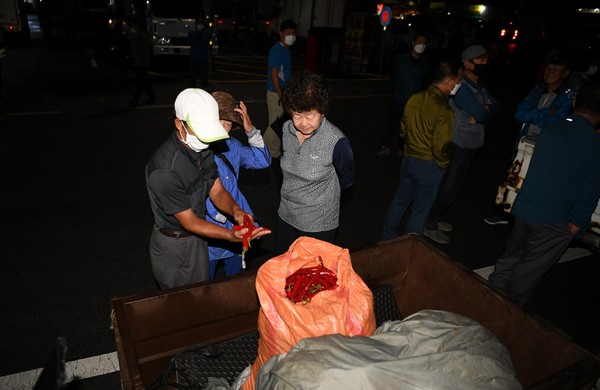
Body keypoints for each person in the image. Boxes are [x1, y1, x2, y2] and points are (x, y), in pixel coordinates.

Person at [488, 81, 600, 305]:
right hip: (555, 219)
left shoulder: (553, 127)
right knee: (529, 270)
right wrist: (578, 224)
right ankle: (506, 311)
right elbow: (590, 189)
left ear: (575, 102)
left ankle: (488, 293)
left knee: (511, 257)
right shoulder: (593, 143)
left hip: (525, 208)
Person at [145, 88, 270, 289]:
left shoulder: (201, 149)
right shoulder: (165, 171)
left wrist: (236, 211)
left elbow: (217, 190)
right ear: (180, 124)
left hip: (199, 238)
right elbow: (190, 222)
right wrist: (230, 235)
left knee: (202, 291)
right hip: (175, 242)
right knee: (177, 301)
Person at [484, 54, 574, 225]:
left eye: (555, 70)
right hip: (524, 142)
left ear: (566, 73)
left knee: (535, 182)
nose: (550, 73)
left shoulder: (567, 96)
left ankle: (525, 218)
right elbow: (519, 114)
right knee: (514, 176)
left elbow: (559, 120)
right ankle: (504, 213)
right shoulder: (537, 91)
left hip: (547, 147)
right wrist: (546, 114)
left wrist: (535, 115)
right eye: (548, 69)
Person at [424, 45, 501, 244]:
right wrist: (483, 112)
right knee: (449, 184)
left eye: (486, 60)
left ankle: (436, 216)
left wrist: (483, 112)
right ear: (467, 63)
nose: (484, 64)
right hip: (459, 142)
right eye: (480, 61)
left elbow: (495, 108)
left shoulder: (479, 85)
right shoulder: (462, 87)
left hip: (472, 142)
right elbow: (484, 113)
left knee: (456, 183)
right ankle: (429, 222)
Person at [274, 72, 355, 255]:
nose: (303, 123)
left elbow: (347, 179)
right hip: (285, 214)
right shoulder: (287, 130)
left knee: (310, 277)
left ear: (322, 111)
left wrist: (321, 199)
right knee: (282, 268)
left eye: (310, 116)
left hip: (317, 223)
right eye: (296, 115)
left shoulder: (336, 141)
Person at [382, 60, 461, 239]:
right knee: (420, 210)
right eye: (457, 81)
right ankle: (409, 245)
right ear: (449, 82)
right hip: (429, 165)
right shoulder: (444, 110)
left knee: (400, 200)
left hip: (409, 159)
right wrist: (443, 165)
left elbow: (403, 129)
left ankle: (387, 236)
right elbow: (441, 146)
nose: (458, 85)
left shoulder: (415, 98)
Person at [206, 92, 271, 279]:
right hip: (209, 231)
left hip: (236, 225)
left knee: (234, 280)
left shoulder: (232, 146)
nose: (225, 129)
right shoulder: (198, 152)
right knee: (204, 283)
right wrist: (218, 214)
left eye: (229, 124)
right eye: (221, 122)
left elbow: (263, 161)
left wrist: (250, 130)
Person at [376, 33, 430, 158]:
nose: (421, 46)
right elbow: (394, 75)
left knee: (409, 126)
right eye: (419, 42)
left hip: (414, 101)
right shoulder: (402, 59)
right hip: (399, 97)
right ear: (413, 43)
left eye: (423, 43)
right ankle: (385, 146)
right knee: (393, 123)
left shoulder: (424, 62)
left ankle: (402, 148)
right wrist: (397, 91)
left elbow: (424, 80)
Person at [264, 19, 297, 159]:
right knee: (275, 124)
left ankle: (274, 151)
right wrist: (280, 95)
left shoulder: (285, 50)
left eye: (293, 33)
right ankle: (259, 150)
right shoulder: (277, 50)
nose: (291, 36)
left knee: (279, 124)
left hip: (282, 92)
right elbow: (274, 75)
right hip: (276, 92)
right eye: (288, 32)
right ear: (281, 33)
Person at [123, 18, 155, 107]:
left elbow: (140, 49)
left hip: (141, 61)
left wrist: (133, 55)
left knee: (141, 82)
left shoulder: (140, 36)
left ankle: (136, 100)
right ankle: (151, 97)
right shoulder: (139, 36)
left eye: (134, 25)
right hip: (141, 61)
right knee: (143, 81)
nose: (133, 27)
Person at [188, 15, 211, 89]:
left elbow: (208, 44)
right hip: (194, 57)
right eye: (199, 23)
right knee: (193, 75)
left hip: (203, 58)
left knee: (204, 74)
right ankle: (192, 87)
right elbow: (190, 42)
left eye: (201, 23)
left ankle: (205, 86)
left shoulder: (206, 33)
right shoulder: (192, 33)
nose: (200, 25)